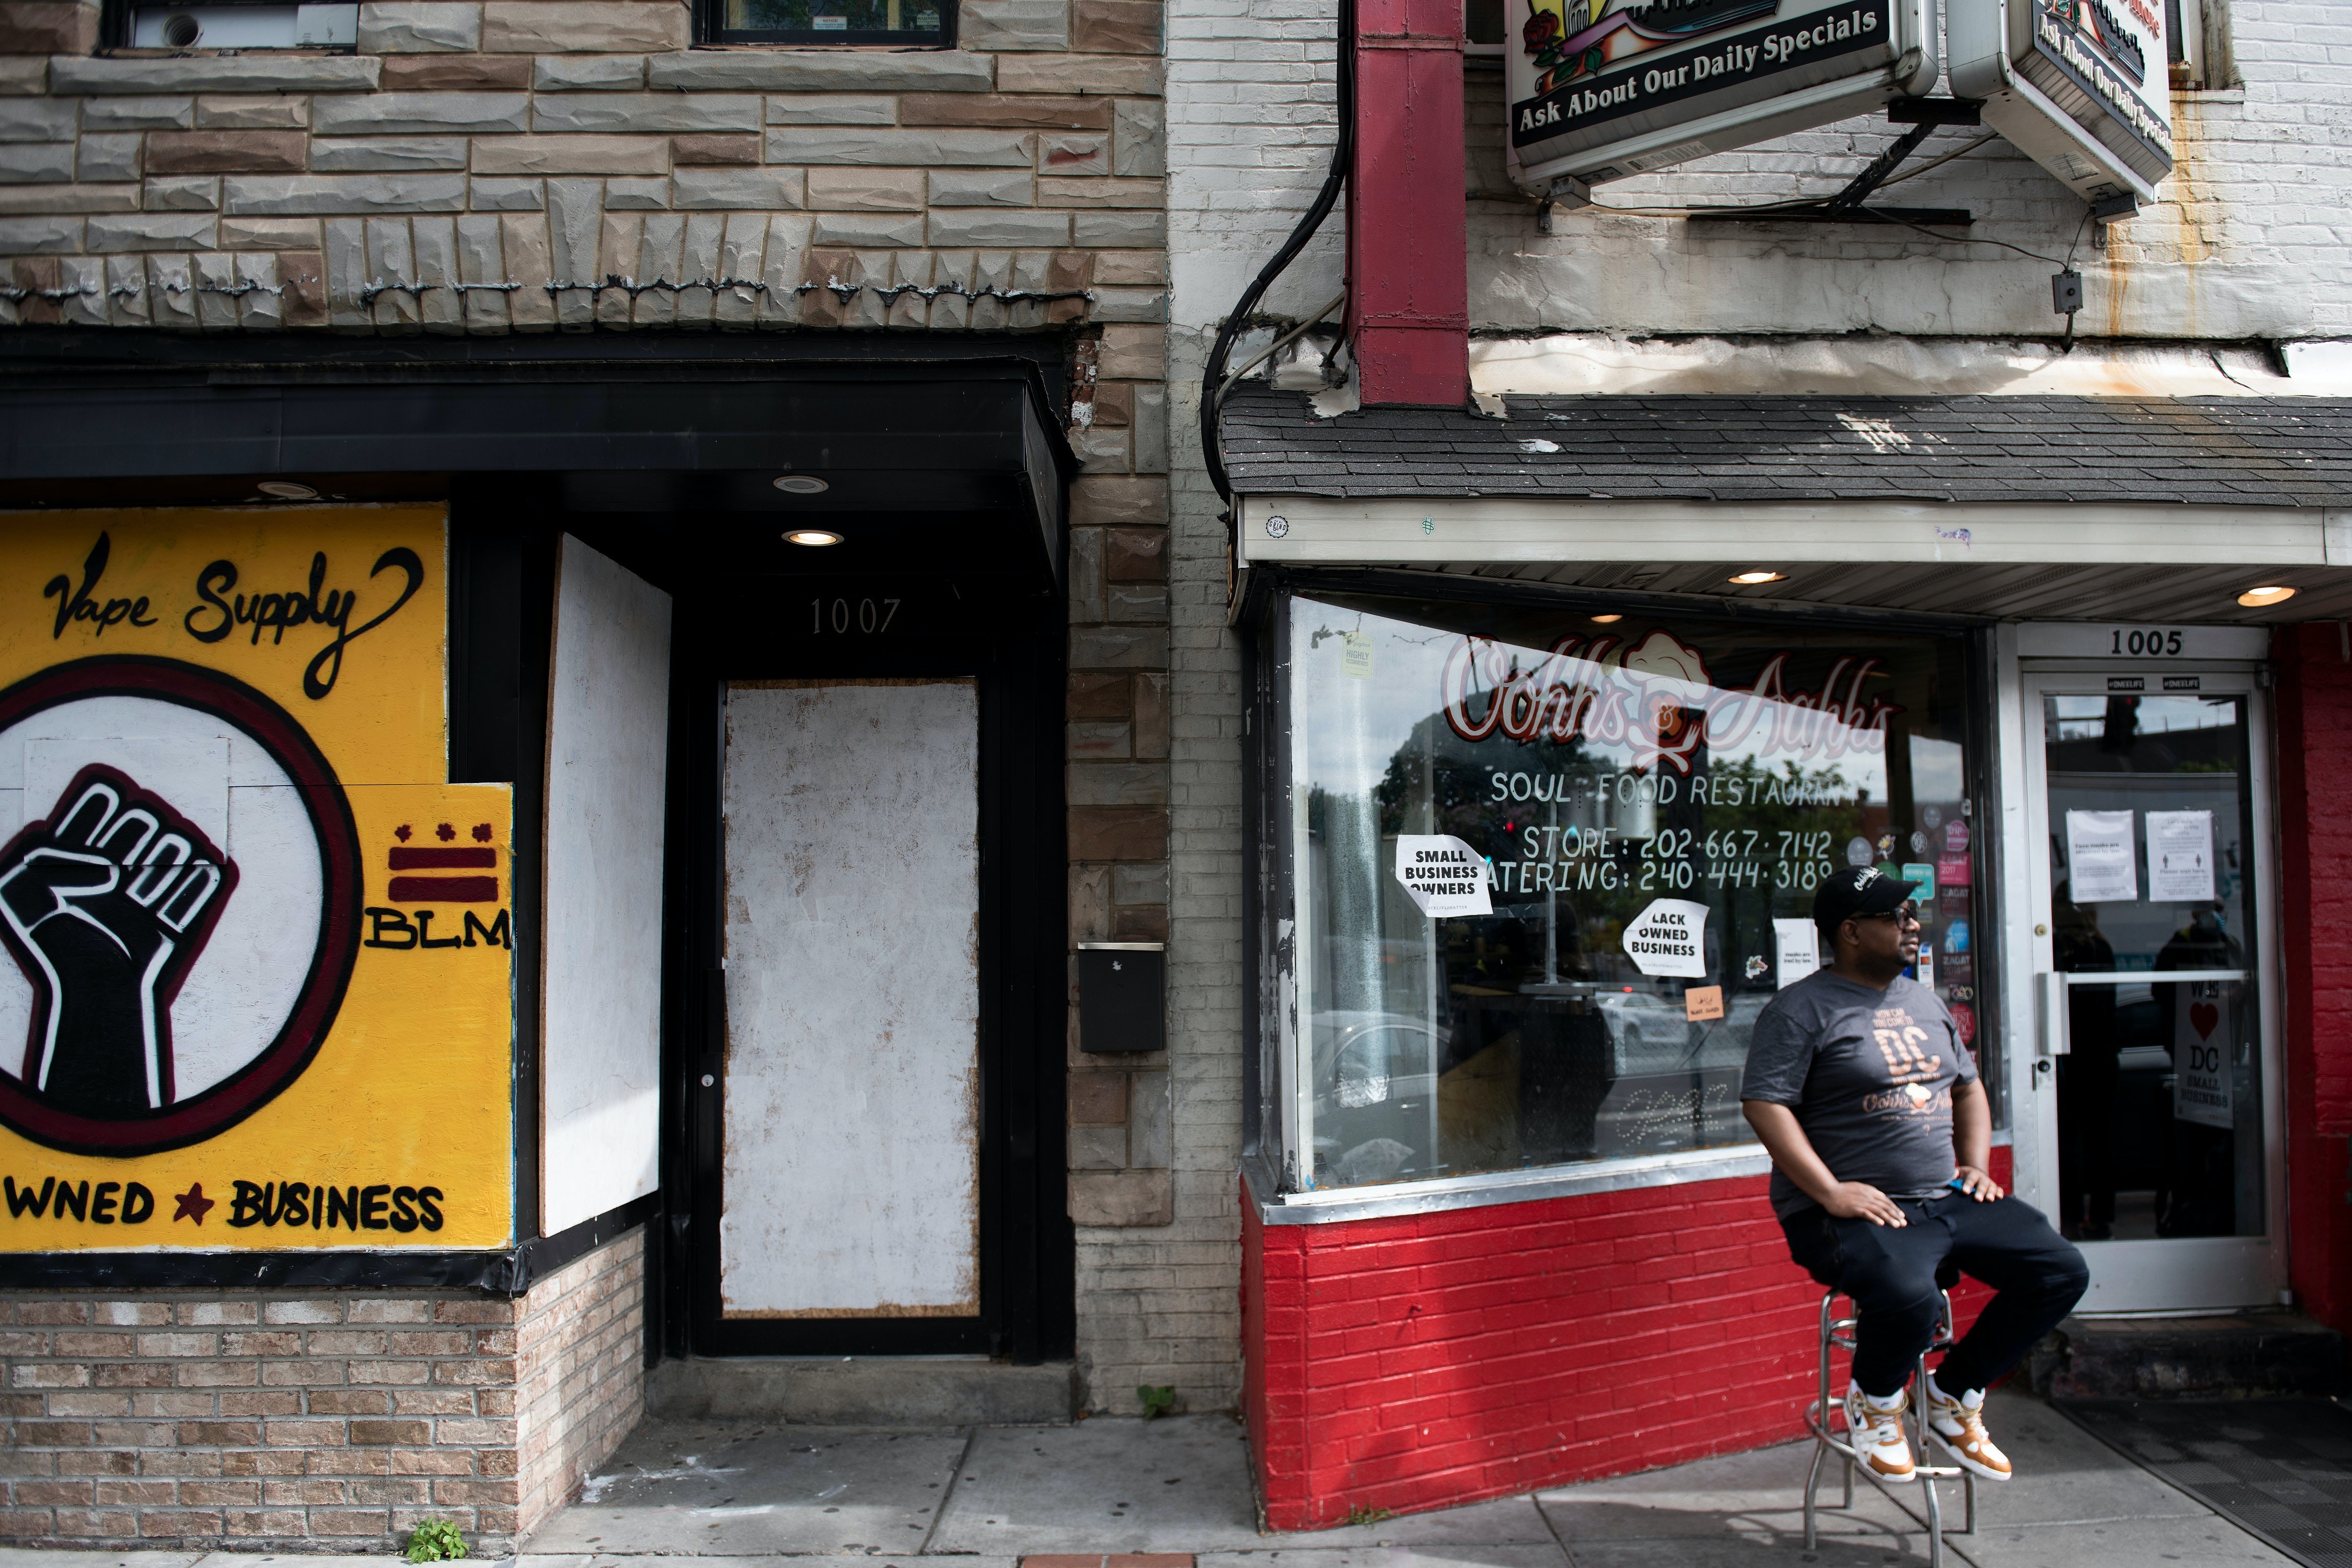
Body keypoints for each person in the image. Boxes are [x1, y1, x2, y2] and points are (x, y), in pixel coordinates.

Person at [1740, 866, 2088, 1485]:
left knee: (2060, 1270)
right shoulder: (1799, 1010)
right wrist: (1829, 1191)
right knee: (1912, 1294)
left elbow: (1968, 1088)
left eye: (1911, 913)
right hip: (1846, 1211)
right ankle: (1875, 1404)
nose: (1912, 925)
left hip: (1942, 1199)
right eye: (1894, 916)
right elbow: (1766, 1104)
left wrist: (1975, 1166)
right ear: (1850, 931)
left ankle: (1953, 1394)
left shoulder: (1924, 999)